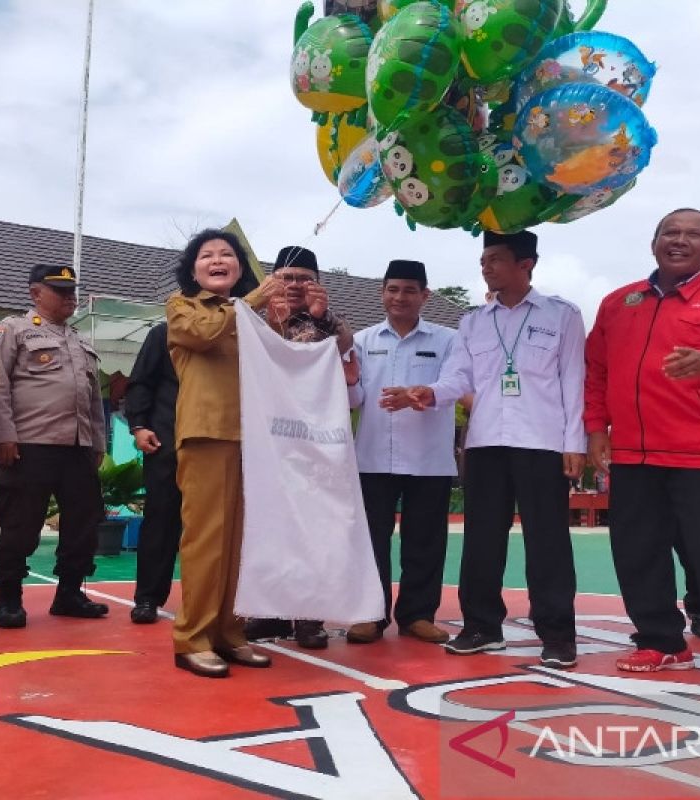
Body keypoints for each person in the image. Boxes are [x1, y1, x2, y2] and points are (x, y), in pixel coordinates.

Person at [585, 208, 700, 692]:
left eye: (694, 235)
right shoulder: (618, 302)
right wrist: (595, 428)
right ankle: (662, 642)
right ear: (653, 243)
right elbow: (597, 371)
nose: (680, 240)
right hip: (632, 454)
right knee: (637, 552)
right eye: (670, 232)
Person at [383, 230, 584, 668]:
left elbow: (573, 381)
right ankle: (481, 627)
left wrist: (575, 444)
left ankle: (557, 634)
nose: (485, 267)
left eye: (494, 259)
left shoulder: (562, 315)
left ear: (525, 264)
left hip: (543, 442)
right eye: (483, 259)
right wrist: (428, 392)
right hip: (486, 442)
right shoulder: (473, 321)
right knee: (481, 540)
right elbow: (459, 379)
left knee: (547, 541)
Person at [166, 228, 281, 677]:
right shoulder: (183, 307)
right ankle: (192, 637)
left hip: (251, 437)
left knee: (240, 544)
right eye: (207, 255)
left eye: (227, 254)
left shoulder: (253, 316)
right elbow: (202, 335)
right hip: (206, 433)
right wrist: (250, 304)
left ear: (240, 267)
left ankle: (230, 632)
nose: (218, 260)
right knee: (207, 540)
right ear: (193, 268)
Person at [0, 264, 109, 628]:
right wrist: (1, 435)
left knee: (83, 525)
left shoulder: (80, 340)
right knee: (20, 524)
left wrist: (96, 442)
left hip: (78, 447)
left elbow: (92, 398)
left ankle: (69, 594)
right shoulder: (13, 330)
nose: (70, 297)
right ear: (35, 293)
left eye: (72, 291)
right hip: (29, 445)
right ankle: (9, 599)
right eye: (59, 291)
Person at [243, 244, 354, 649]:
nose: (294, 286)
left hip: (310, 446)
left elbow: (344, 347)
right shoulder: (251, 319)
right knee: (267, 526)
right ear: (271, 280)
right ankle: (267, 612)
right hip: (264, 442)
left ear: (318, 284)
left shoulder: (328, 322)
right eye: (287, 278)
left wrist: (321, 317)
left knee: (311, 530)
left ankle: (309, 619)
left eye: (304, 278)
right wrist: (274, 318)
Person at [344, 259, 457, 646]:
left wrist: (422, 395)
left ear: (425, 295)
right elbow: (354, 398)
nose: (400, 297)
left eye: (410, 290)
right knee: (370, 538)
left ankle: (418, 614)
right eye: (392, 289)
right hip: (373, 455)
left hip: (429, 458)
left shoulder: (448, 340)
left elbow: (456, 384)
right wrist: (349, 375)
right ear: (382, 293)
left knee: (425, 539)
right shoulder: (361, 341)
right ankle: (370, 615)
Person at [124, 320, 181, 625]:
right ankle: (147, 598)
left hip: (217, 445)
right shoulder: (164, 333)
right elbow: (141, 381)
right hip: (166, 442)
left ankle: (210, 603)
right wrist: (139, 425)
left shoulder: (237, 331)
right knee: (161, 521)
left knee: (217, 529)